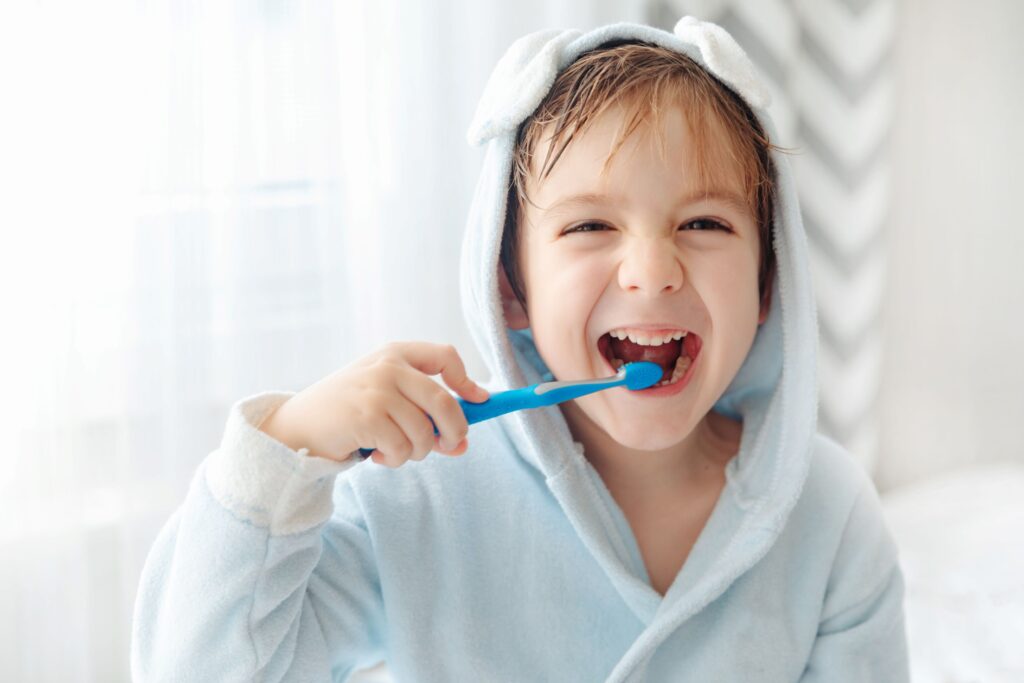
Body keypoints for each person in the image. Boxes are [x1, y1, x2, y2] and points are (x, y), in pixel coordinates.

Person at [131, 16, 909, 682]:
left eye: (705, 224)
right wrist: (287, 448)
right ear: (511, 291)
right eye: (590, 226)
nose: (653, 270)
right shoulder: (421, 494)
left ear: (769, 285)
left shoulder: (830, 516)